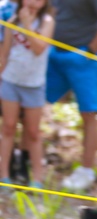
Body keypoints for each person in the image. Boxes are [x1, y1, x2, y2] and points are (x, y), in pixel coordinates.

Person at [45, 0, 97, 192]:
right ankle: (23, 157)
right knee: (34, 103)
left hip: (85, 59)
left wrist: (90, 51)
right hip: (56, 56)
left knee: (88, 113)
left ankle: (86, 171)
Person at [0, 0, 54, 189]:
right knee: (8, 127)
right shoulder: (13, 20)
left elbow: (39, 48)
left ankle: (37, 179)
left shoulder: (47, 22)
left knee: (32, 132)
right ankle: (4, 175)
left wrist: (28, 24)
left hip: (34, 85)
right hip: (10, 80)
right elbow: (5, 53)